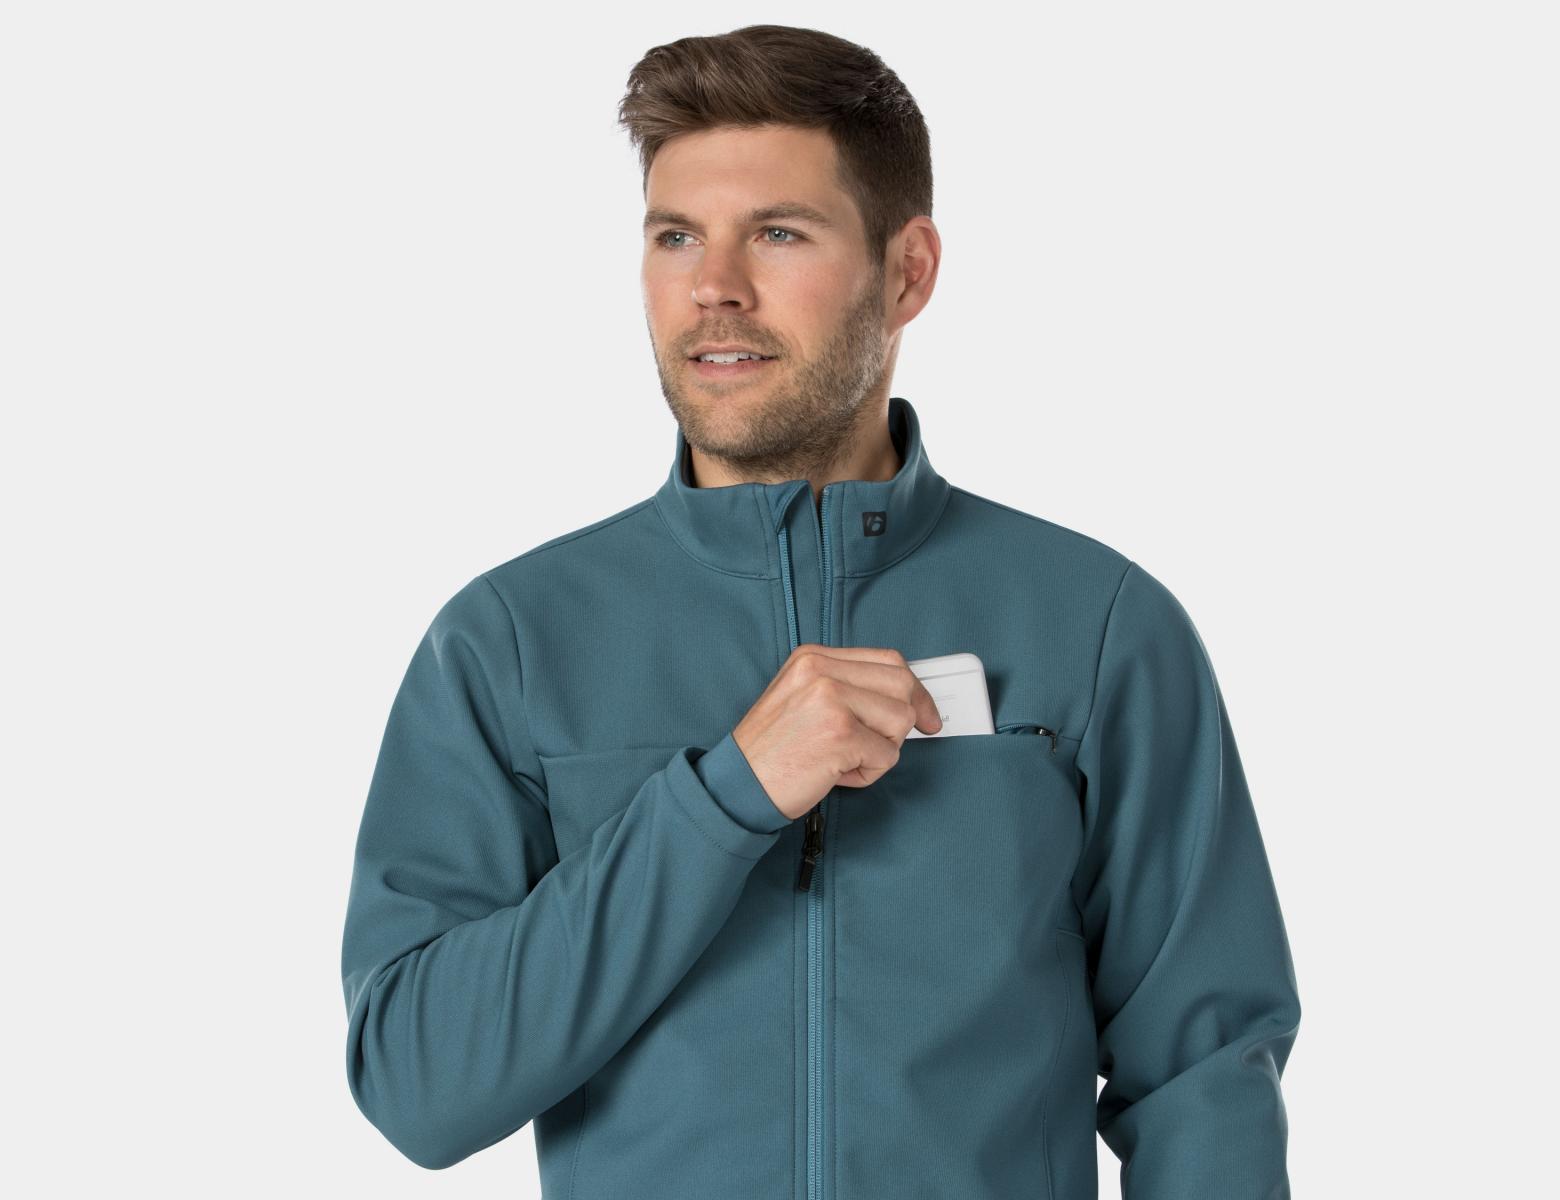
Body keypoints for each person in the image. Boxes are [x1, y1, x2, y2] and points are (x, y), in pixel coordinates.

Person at [340, 23, 1300, 1198]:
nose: (714, 287)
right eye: (675, 236)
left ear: (907, 272)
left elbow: (1203, 1080)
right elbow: (419, 1085)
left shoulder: (1098, 625)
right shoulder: (509, 642)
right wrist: (724, 797)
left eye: (777, 234)